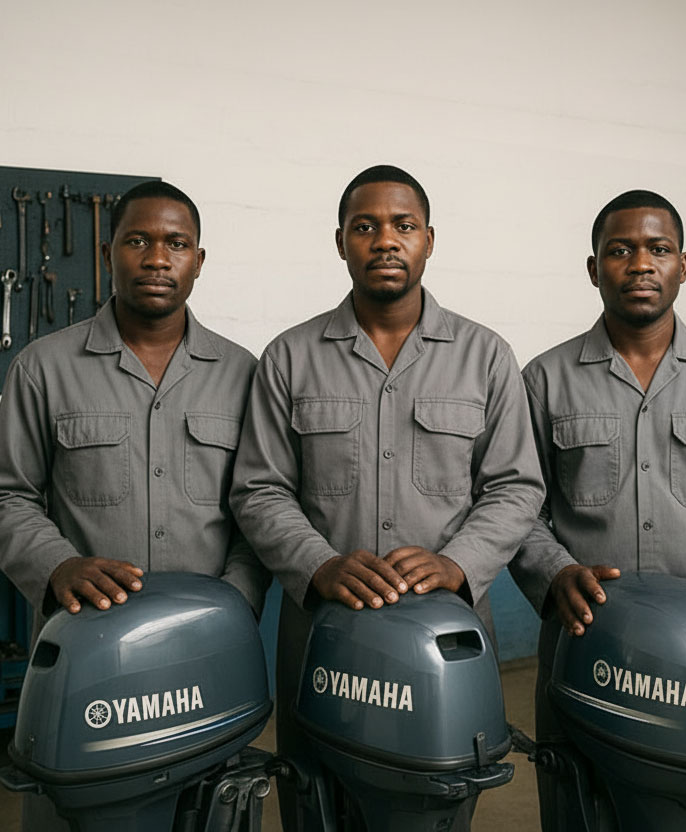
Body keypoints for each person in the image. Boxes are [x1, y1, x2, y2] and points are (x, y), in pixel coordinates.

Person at [230, 165, 545, 831]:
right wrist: (319, 564)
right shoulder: (289, 357)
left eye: (403, 225)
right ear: (340, 241)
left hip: (448, 638)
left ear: (429, 239)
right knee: (317, 801)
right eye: (365, 226)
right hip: (321, 635)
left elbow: (516, 486)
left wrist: (457, 563)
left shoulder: (486, 357)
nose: (385, 240)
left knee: (435, 807)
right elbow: (259, 488)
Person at [0, 180, 267, 831]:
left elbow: (259, 506)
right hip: (89, 660)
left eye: (176, 243)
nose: (157, 258)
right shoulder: (45, 368)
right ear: (109, 253)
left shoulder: (245, 374)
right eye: (138, 240)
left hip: (208, 655)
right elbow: (2, 495)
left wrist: (238, 603)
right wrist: (56, 565)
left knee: (208, 810)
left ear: (198, 260)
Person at [509, 189, 686, 830]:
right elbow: (517, 504)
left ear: (683, 266)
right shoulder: (545, 380)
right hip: (584, 639)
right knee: (577, 805)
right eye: (620, 250)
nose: (641, 263)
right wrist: (554, 572)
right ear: (594, 268)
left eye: (658, 249)